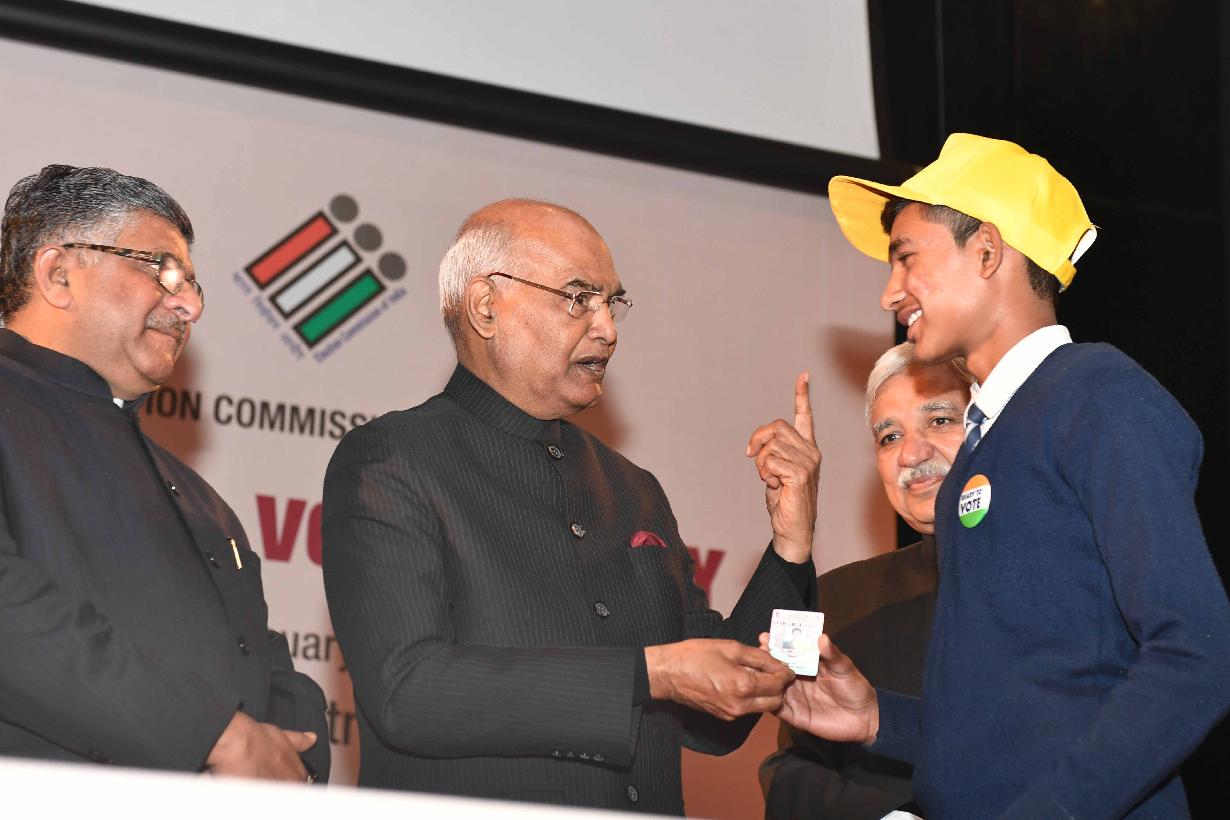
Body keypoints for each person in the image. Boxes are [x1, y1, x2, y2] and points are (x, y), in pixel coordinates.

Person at [772, 133, 1230, 818]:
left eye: (906, 258)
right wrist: (879, 719)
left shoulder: (1099, 397)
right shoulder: (983, 449)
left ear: (987, 250)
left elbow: (1198, 652)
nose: (889, 293)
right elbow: (1023, 717)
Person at [321, 198, 818, 813]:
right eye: (578, 298)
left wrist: (792, 550)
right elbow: (407, 693)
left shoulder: (633, 489)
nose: (608, 328)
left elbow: (726, 718)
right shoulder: (393, 459)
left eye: (613, 302)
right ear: (485, 307)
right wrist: (647, 675)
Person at [0, 164, 329, 782]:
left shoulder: (201, 499)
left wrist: (297, 758)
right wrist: (211, 735)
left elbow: (262, 658)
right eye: (161, 270)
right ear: (58, 274)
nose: (190, 305)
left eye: (193, 285)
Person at [761, 342, 969, 820]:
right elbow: (790, 770)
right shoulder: (835, 598)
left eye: (940, 420)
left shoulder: (1070, 578)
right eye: (889, 437)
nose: (911, 453)